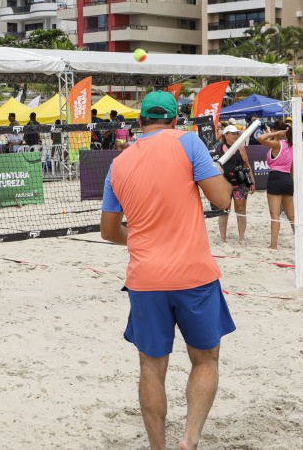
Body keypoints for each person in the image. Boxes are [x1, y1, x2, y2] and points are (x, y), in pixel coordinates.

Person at [100, 91, 234, 450]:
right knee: (205, 360)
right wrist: (216, 169)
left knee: (150, 368)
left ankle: (158, 447)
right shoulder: (189, 142)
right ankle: (189, 441)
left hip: (146, 278)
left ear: (139, 122)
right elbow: (222, 200)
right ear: (175, 120)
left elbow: (109, 232)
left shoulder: (119, 163)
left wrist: (143, 243)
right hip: (194, 275)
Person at [257, 121, 295, 250]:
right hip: (287, 179)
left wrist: (278, 134)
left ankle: (273, 245)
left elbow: (259, 138)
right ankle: (299, 241)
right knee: (291, 215)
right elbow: (292, 168)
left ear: (275, 130)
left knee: (275, 214)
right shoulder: (291, 145)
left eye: (271, 129)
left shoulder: (277, 144)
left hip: (276, 178)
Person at [216, 125, 255, 244]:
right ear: (225, 135)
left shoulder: (241, 148)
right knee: (224, 210)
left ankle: (241, 238)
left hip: (240, 182)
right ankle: (223, 238)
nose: (235, 136)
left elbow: (246, 164)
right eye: (233, 134)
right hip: (224, 182)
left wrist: (252, 181)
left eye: (237, 134)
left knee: (241, 209)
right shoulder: (219, 148)